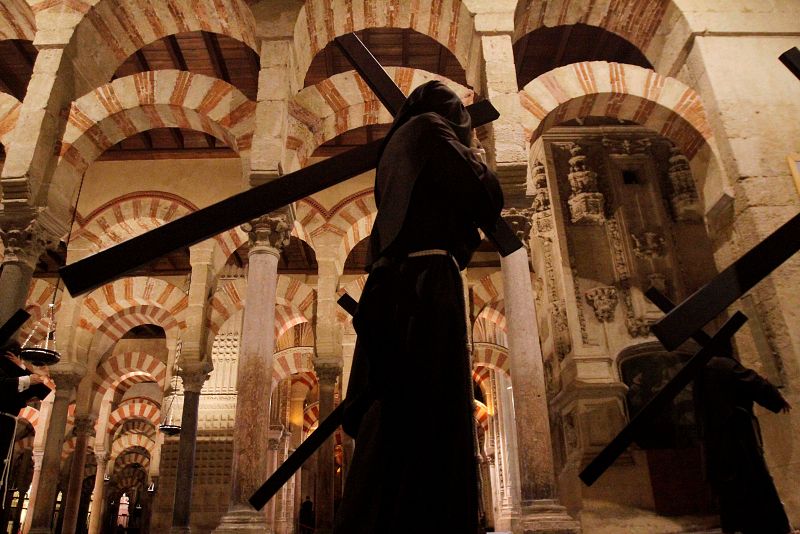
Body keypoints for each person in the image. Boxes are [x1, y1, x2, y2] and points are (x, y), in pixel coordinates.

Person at [334, 81, 503, 534]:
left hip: (395, 283)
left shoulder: (398, 142)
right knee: (430, 407)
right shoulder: (430, 128)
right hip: (426, 287)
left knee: (394, 405)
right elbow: (481, 192)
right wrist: (479, 158)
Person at [695, 350, 794, 534]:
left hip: (718, 440)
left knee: (730, 490)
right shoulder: (721, 364)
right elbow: (752, 383)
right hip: (737, 438)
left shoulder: (702, 371)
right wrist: (777, 399)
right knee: (751, 483)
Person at [1, 340, 48, 506]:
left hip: (8, 422)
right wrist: (27, 379)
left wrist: (21, 367)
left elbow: (43, 391)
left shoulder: (13, 370)